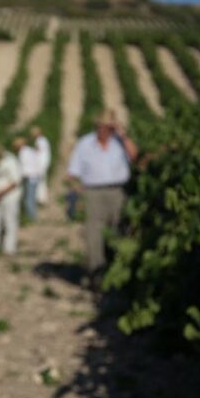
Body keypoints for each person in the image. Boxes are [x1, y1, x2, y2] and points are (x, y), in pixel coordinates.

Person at [67, 109, 139, 288]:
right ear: (97, 127)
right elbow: (72, 173)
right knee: (94, 234)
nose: (106, 130)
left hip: (118, 191)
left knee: (119, 229)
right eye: (103, 126)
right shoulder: (85, 144)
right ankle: (96, 273)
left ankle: (116, 271)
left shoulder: (120, 143)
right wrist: (76, 194)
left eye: (110, 127)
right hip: (93, 192)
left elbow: (135, 156)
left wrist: (123, 136)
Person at [15, 137, 43, 222]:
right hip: (36, 176)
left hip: (29, 177)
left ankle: (31, 218)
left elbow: (23, 167)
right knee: (32, 197)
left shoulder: (23, 153)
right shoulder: (30, 150)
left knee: (28, 199)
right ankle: (33, 216)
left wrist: (18, 178)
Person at [30, 126, 52, 206]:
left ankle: (41, 199)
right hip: (42, 164)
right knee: (42, 181)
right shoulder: (43, 140)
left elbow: (37, 152)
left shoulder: (40, 141)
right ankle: (41, 198)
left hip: (41, 164)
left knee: (40, 181)